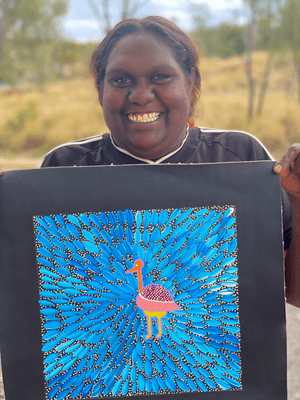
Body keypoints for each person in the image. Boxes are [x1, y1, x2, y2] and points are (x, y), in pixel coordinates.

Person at [41, 16, 300, 308]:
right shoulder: (63, 169)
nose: (140, 95)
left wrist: (297, 197)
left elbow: (296, 294)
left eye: (160, 77)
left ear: (190, 81)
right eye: (121, 79)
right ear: (100, 89)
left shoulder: (240, 158)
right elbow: (42, 303)